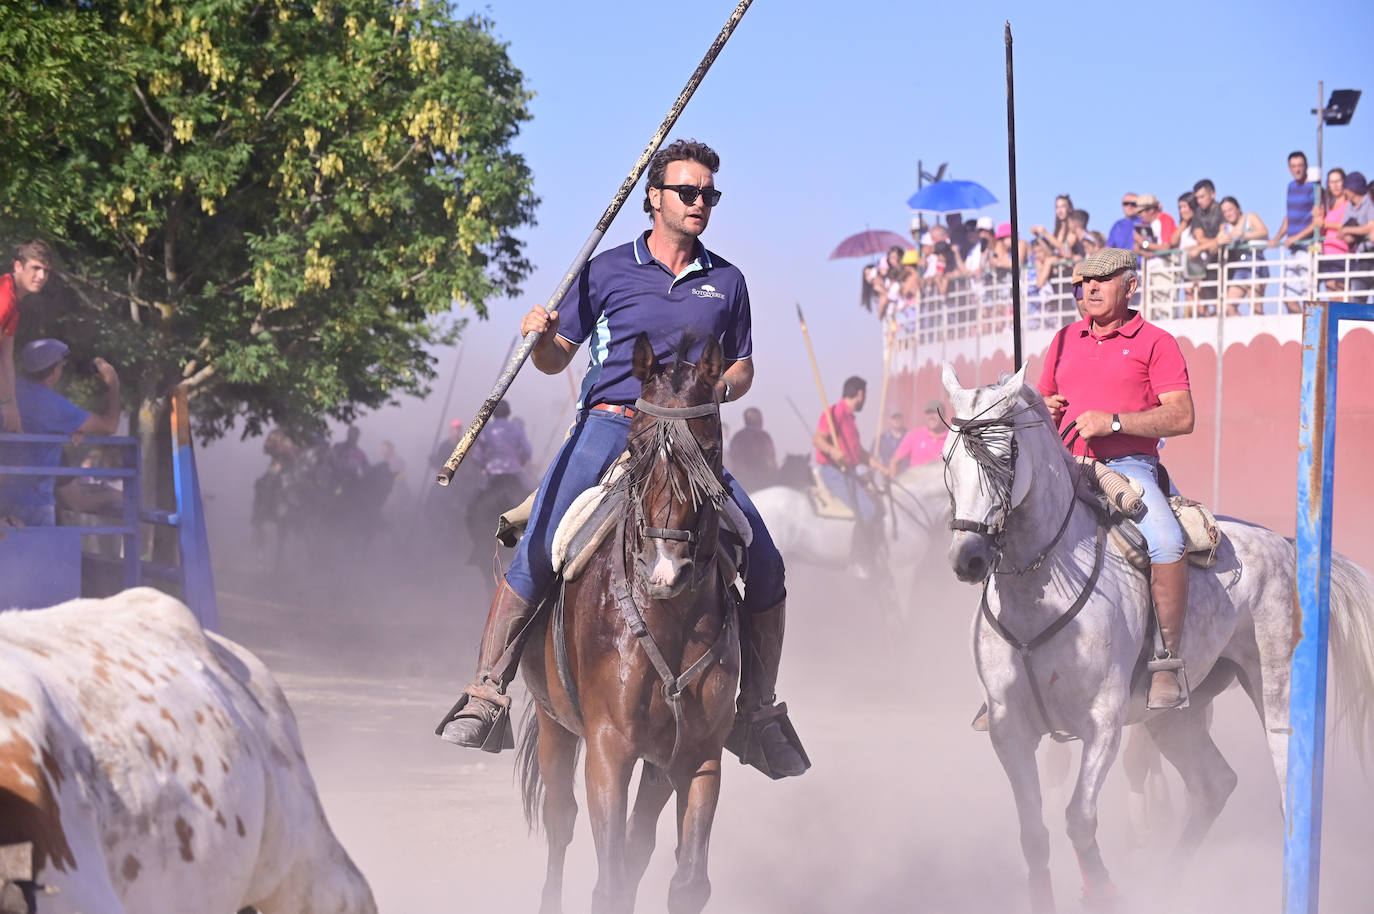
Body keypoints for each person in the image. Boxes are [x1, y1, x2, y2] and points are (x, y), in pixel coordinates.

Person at [436, 138, 808, 778]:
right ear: (654, 199)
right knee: (542, 545)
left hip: (689, 435)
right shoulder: (607, 270)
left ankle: (757, 711)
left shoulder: (727, 280)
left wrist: (720, 389)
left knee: (766, 559)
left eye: (709, 195)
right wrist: (541, 337)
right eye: (688, 193)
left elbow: (743, 364)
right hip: (612, 426)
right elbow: (558, 359)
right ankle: (488, 690)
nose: (700, 204)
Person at [1039, 248, 1194, 710]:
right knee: (1004, 523)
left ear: (1130, 286)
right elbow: (1044, 400)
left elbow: (1182, 417)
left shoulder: (1156, 341)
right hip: (1062, 464)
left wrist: (1116, 423)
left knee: (1167, 542)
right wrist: (1041, 410)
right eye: (1085, 281)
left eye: (1103, 280)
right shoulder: (1063, 339)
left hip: (1128, 467)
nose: (1091, 288)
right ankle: (1004, 664)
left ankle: (1167, 661)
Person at [0, 340, 122, 526]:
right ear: (55, 370)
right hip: (35, 505)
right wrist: (113, 384)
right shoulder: (53, 406)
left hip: (4, 501)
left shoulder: (8, 394)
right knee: (41, 555)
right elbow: (110, 425)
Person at [812, 376, 885, 576]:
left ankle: (875, 553)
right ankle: (859, 561)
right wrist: (833, 451)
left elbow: (859, 453)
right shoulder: (834, 412)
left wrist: (881, 468)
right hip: (833, 472)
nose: (866, 399)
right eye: (866, 394)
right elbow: (818, 439)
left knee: (879, 505)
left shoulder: (851, 419)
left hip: (851, 472)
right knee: (868, 510)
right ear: (860, 394)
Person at [465, 400, 532, 575]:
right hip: (515, 478)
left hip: (492, 479)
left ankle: (478, 547)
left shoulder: (486, 431)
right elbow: (527, 451)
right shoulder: (517, 428)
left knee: (470, 511)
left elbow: (477, 457)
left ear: (493, 415)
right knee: (538, 504)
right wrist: (519, 462)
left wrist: (485, 466)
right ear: (509, 413)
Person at [0, 240, 55, 433]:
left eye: (46, 271)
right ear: (18, 266)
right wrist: (5, 401)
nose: (41, 276)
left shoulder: (14, 301)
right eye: (36, 268)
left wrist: (12, 405)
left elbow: (6, 357)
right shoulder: (4, 298)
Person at [1268, 151, 1318, 313]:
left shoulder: (1314, 188)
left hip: (1307, 248)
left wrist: (1296, 237)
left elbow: (1317, 221)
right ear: (1289, 168)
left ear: (1306, 167)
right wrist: (1277, 237)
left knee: (1309, 297)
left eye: (1300, 166)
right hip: (1293, 250)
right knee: (1288, 298)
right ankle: (1301, 329)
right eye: (1293, 166)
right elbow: (1289, 216)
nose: (1297, 170)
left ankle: (1311, 332)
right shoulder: (1290, 187)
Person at [1217, 197, 1269, 313]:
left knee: (1255, 306)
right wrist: (1224, 238)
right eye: (1224, 212)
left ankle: (1259, 330)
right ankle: (1244, 330)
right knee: (1228, 306)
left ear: (1238, 208)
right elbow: (1219, 240)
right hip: (1240, 266)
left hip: (1256, 261)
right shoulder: (1226, 227)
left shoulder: (1250, 217)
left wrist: (1243, 235)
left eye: (1230, 210)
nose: (1228, 214)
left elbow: (1264, 231)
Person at [1313, 168, 1350, 297]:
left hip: (1342, 253)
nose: (1334, 185)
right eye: (1331, 182)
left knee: (1341, 293)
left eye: (1338, 181)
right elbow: (1321, 229)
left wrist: (1325, 224)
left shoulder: (1348, 204)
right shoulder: (1329, 205)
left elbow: (1346, 226)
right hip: (1327, 255)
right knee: (1331, 292)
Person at [1339, 171, 1374, 303]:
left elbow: (1371, 227)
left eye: (1346, 188)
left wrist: (1350, 230)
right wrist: (1354, 233)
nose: (1344, 192)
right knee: (1357, 298)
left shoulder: (1369, 202)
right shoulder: (1350, 206)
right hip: (1361, 257)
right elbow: (1342, 233)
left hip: (1371, 254)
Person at [887, 399, 947, 476]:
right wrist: (894, 485)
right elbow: (894, 462)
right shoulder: (914, 436)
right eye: (928, 413)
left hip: (942, 485)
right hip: (916, 485)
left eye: (936, 412)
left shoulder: (952, 439)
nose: (931, 416)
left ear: (944, 415)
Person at [727, 406, 777, 492]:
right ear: (758, 419)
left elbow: (731, 458)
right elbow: (770, 459)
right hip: (762, 482)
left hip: (740, 482)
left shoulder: (737, 436)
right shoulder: (763, 436)